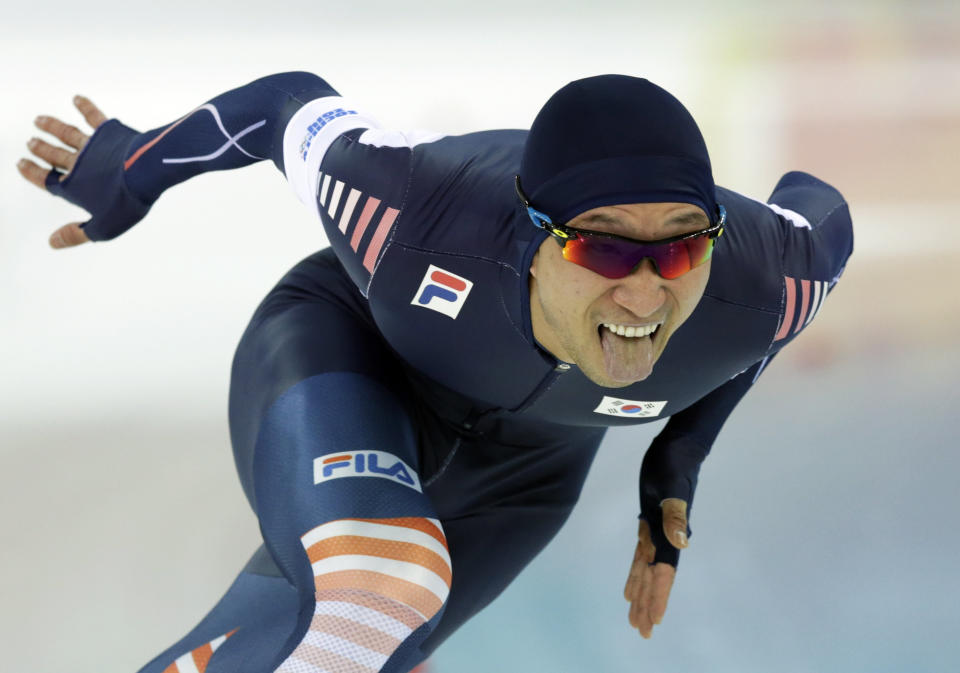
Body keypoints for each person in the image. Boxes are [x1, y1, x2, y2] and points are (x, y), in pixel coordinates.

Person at [17, 71, 853, 673]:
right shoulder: (409, 210)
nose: (644, 290)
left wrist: (675, 468)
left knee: (364, 644)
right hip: (349, 363)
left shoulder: (773, 276)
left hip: (529, 473)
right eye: (603, 246)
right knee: (381, 590)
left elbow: (814, 212)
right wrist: (129, 171)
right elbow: (282, 107)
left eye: (679, 246)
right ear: (533, 234)